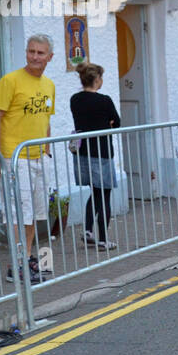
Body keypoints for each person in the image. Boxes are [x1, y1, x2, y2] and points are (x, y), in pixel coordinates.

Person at [0, 34, 56, 284]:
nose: (35, 57)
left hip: (39, 157)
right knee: (18, 213)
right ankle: (16, 265)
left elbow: (46, 120)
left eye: (40, 53)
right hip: (14, 157)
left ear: (50, 57)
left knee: (33, 214)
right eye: (31, 51)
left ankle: (26, 258)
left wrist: (47, 151)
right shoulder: (10, 81)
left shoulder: (49, 85)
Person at [70, 62, 120, 251]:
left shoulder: (75, 99)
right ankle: (103, 239)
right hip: (102, 152)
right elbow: (117, 123)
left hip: (83, 152)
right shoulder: (104, 101)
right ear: (97, 79)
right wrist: (107, 123)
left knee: (95, 191)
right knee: (104, 194)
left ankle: (89, 231)